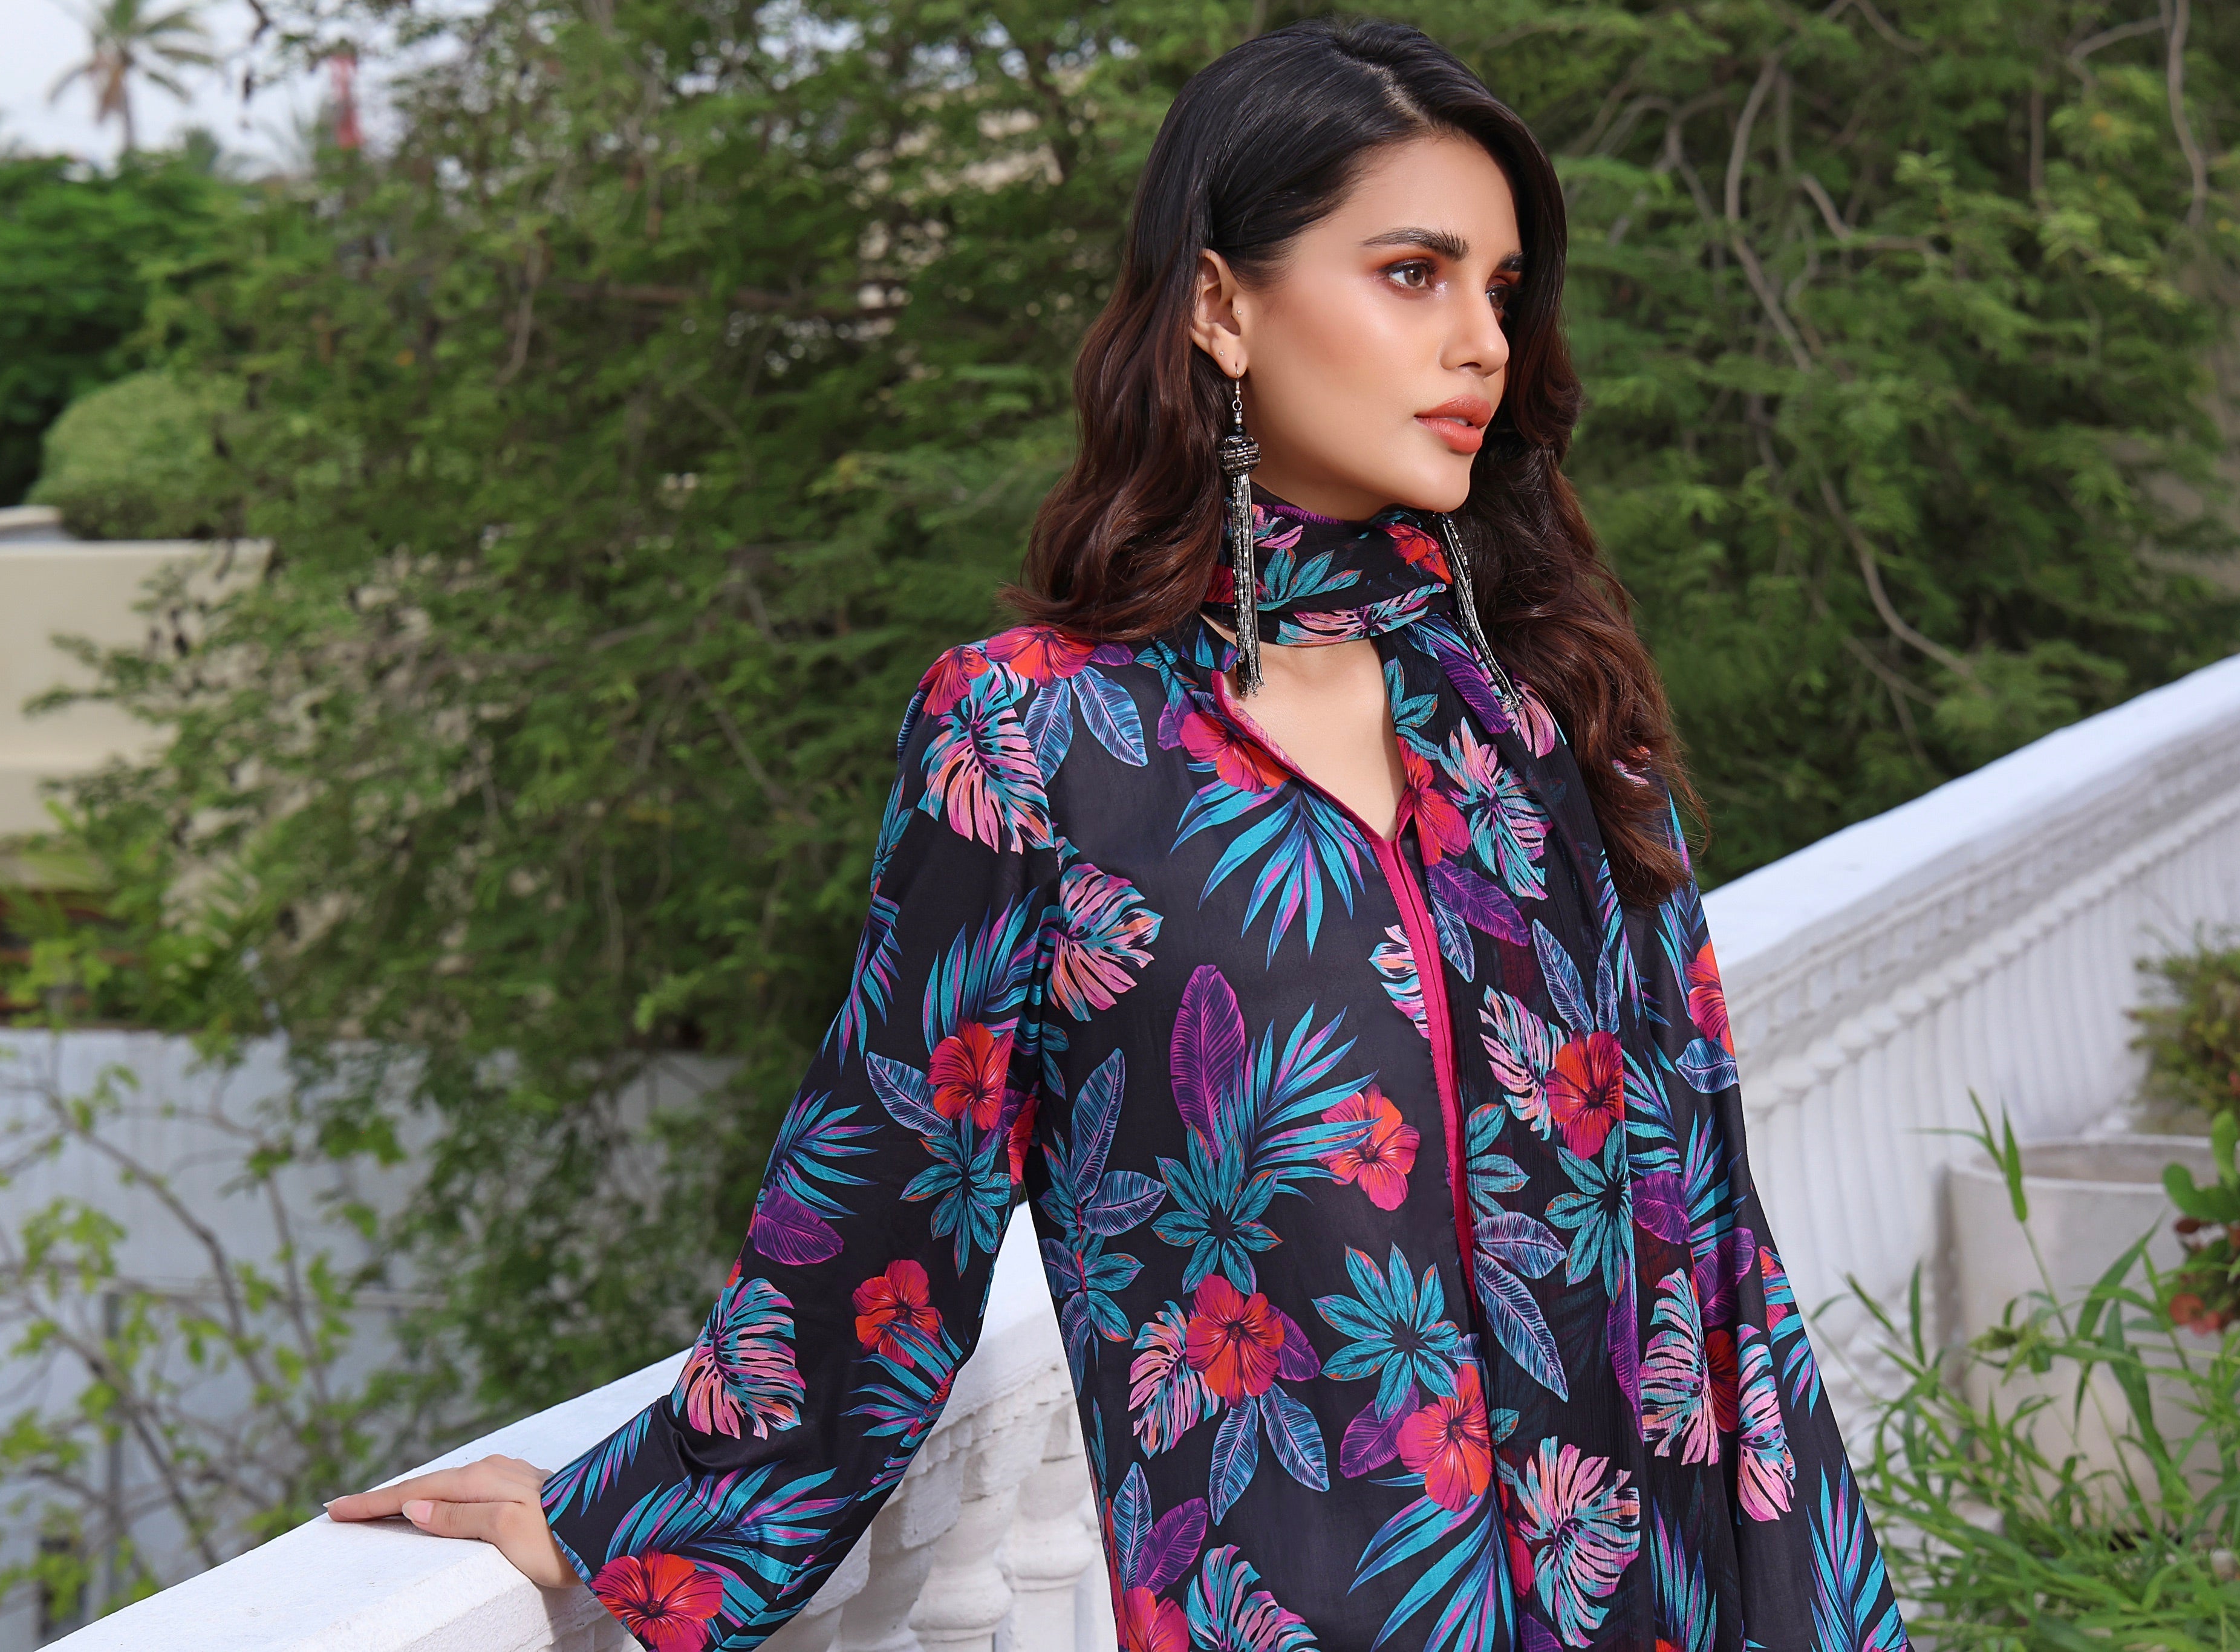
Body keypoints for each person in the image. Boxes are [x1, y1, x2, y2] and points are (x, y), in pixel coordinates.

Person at [328, 18, 1910, 1650]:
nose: (1481, 344)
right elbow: (891, 1184)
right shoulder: (1042, 738)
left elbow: (1712, 1246)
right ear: (1222, 305)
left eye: (1501, 292)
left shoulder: (1551, 715)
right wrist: (626, 1514)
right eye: (1414, 274)